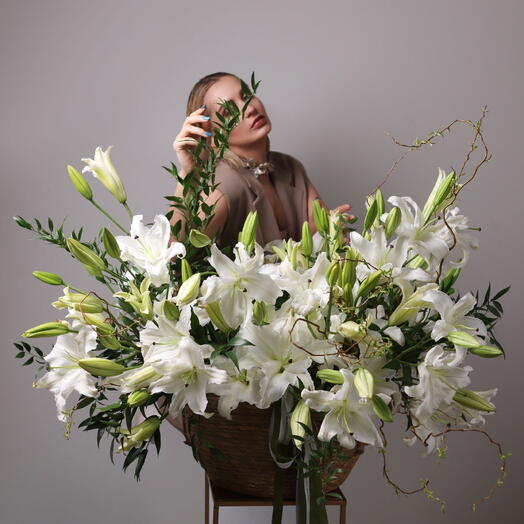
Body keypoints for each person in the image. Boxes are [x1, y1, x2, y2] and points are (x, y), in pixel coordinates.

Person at [160, 72, 355, 435]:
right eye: (230, 109)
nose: (248, 108)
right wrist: (189, 174)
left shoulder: (289, 168)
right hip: (253, 354)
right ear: (212, 130)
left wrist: (334, 232)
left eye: (246, 95)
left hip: (303, 334)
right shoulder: (224, 184)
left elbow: (321, 238)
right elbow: (179, 255)